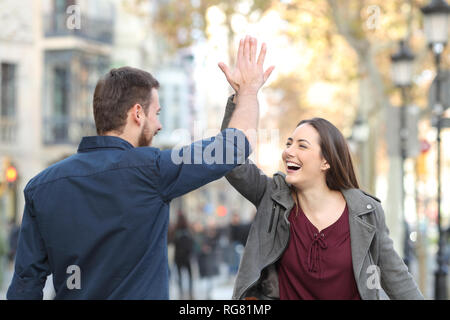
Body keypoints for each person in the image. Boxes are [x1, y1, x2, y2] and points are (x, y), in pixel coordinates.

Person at [7, 36, 274, 299]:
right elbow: (235, 146)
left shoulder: (40, 187)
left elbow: (25, 286)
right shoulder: (154, 170)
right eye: (156, 113)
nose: (159, 125)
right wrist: (248, 91)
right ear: (137, 113)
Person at [218, 93, 424, 300]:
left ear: (326, 162)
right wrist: (242, 96)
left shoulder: (365, 212)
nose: (288, 151)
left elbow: (397, 279)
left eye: (302, 145)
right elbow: (231, 162)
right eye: (289, 143)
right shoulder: (272, 197)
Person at [172, 212, 194, 299]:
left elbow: (172, 241)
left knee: (180, 275)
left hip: (178, 256)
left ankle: (181, 292)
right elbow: (192, 242)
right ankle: (190, 292)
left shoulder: (175, 230)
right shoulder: (188, 230)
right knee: (189, 275)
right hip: (187, 256)